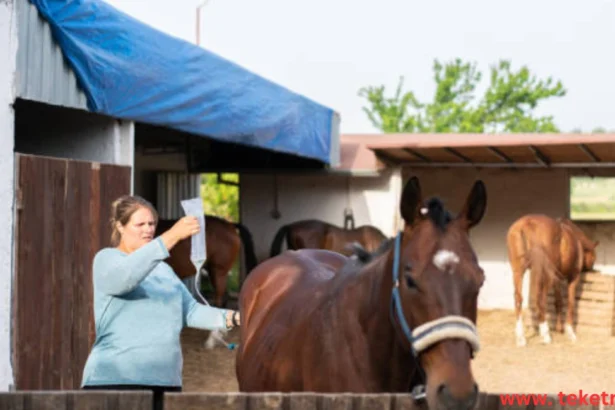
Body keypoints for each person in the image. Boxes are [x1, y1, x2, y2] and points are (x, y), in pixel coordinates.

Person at [81, 195, 240, 410]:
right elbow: (124, 280)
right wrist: (172, 236)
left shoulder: (164, 269)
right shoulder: (107, 259)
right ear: (120, 226)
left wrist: (233, 317)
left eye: (152, 224)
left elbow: (190, 311)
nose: (148, 229)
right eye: (140, 224)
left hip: (165, 382)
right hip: (115, 380)